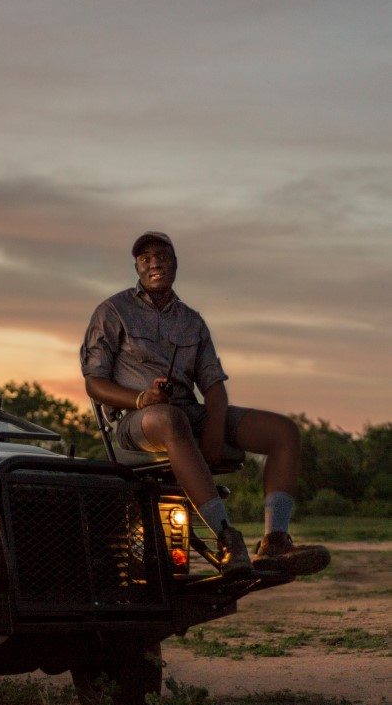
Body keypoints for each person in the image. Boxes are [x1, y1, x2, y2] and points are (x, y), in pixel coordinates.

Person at [81, 231, 328, 578]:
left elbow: (213, 386)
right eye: (145, 257)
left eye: (161, 255)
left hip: (187, 413)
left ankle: (275, 540)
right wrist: (141, 398)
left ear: (175, 263)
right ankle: (228, 539)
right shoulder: (112, 311)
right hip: (136, 421)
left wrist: (214, 430)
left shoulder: (191, 321)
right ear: (136, 266)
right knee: (169, 419)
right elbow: (94, 383)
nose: (154, 262)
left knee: (283, 432)